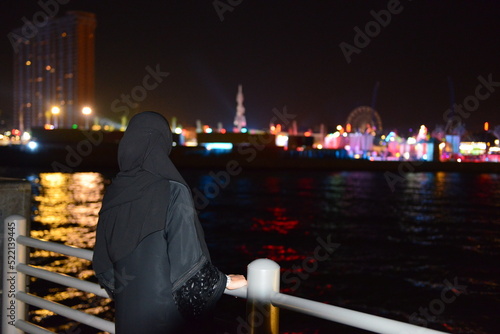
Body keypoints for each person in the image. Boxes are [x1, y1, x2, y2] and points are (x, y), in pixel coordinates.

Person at [92, 111, 247, 334]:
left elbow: (103, 266)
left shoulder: (114, 192)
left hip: (128, 319)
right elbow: (189, 268)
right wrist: (224, 282)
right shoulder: (173, 190)